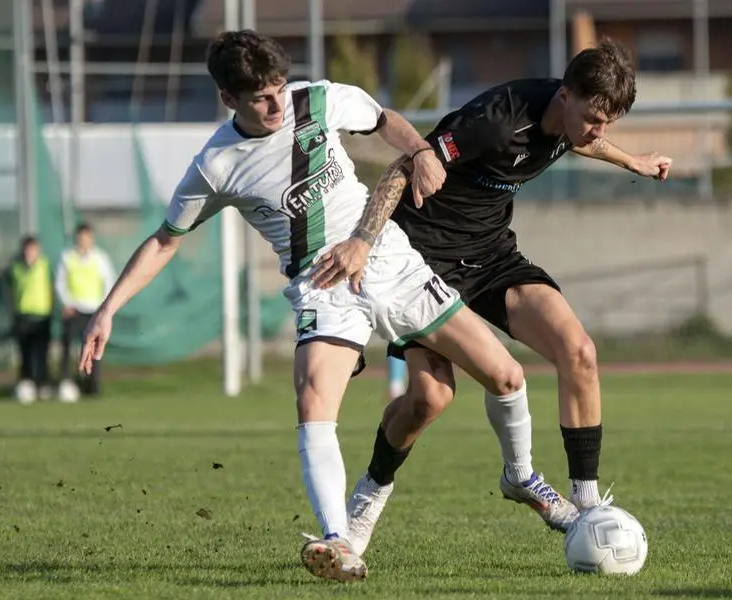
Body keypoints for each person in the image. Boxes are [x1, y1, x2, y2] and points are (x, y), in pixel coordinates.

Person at [76, 30, 573, 583]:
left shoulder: (318, 99)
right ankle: (338, 541)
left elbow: (383, 118)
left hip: (389, 256)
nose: (275, 104)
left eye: (279, 88)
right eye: (259, 97)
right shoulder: (217, 164)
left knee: (505, 376)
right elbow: (166, 240)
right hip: (323, 285)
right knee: (314, 396)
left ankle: (521, 474)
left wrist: (418, 150)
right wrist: (107, 308)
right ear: (228, 99)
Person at [312, 39, 673, 557]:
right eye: (593, 118)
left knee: (580, 352)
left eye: (608, 123)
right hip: (423, 261)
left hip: (492, 257)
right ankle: (368, 497)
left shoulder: (572, 121)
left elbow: (581, 141)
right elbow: (402, 168)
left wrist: (632, 161)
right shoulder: (498, 121)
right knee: (429, 400)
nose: (598, 132)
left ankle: (588, 508)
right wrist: (364, 242)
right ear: (565, 95)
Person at [56, 222, 115, 399]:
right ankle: (66, 382)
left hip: (94, 311)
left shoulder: (100, 258)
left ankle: (92, 386)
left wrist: (104, 307)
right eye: (81, 237)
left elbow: (109, 282)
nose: (84, 241)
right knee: (67, 347)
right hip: (74, 310)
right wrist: (66, 303)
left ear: (92, 238)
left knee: (95, 349)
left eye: (87, 237)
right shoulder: (67, 257)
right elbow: (60, 283)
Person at [7, 235, 53, 403]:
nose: (30, 253)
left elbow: (51, 287)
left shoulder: (45, 265)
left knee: (41, 352)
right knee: (24, 353)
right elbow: (11, 291)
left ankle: (42, 384)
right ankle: (26, 385)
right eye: (27, 250)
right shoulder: (15, 267)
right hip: (23, 316)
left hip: (42, 314)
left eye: (33, 249)